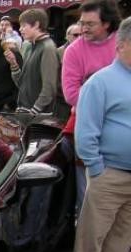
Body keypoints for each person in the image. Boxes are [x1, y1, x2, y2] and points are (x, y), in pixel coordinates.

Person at [71, 16, 131, 252]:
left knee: (122, 234)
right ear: (121, 46)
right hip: (109, 172)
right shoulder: (101, 82)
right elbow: (86, 130)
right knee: (92, 234)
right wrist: (96, 168)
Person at [62, 0, 121, 215]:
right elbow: (71, 93)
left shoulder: (123, 44)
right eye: (81, 22)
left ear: (107, 23)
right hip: (90, 128)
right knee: (89, 191)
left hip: (124, 130)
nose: (83, 28)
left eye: (90, 24)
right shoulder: (74, 52)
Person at [5, 9, 59, 114]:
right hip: (26, 113)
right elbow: (22, 84)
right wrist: (13, 64)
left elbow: (49, 88)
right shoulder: (30, 46)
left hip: (38, 118)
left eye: (24, 25)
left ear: (36, 25)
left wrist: (34, 111)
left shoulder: (48, 47)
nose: (20, 29)